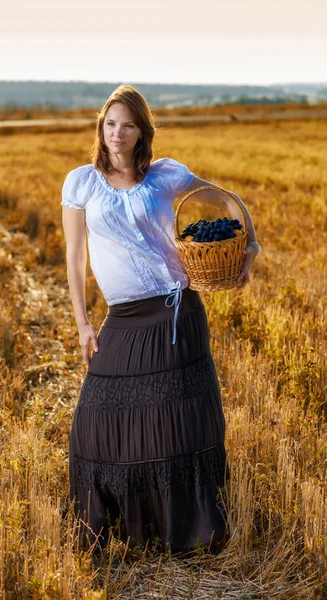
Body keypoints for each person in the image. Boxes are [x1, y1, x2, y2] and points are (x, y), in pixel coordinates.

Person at [61, 84, 260, 553]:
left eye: (127, 124)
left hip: (177, 308)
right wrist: (83, 323)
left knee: (182, 420)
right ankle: (116, 528)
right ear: (101, 128)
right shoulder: (82, 183)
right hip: (123, 317)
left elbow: (224, 200)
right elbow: (73, 257)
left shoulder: (166, 176)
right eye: (110, 123)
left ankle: (187, 532)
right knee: (96, 419)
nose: (117, 133)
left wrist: (250, 245)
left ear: (141, 130)